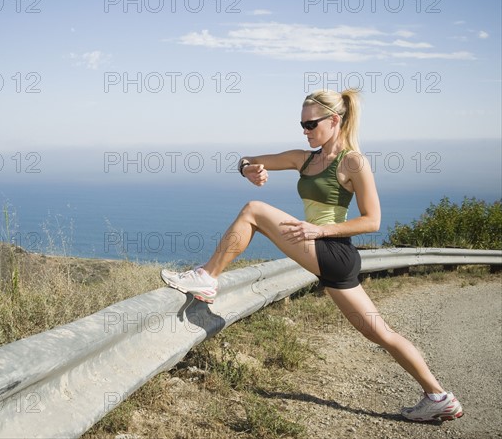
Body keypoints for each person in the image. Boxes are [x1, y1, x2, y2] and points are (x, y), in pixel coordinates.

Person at [160, 88, 463, 422]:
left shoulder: (353, 161)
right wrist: (248, 169)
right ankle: (438, 396)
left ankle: (207, 279)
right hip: (328, 260)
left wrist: (320, 230)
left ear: (334, 120)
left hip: (333, 249)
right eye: (301, 124)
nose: (304, 131)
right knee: (381, 333)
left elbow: (372, 220)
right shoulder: (303, 158)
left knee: (254, 211)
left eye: (310, 124)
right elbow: (248, 159)